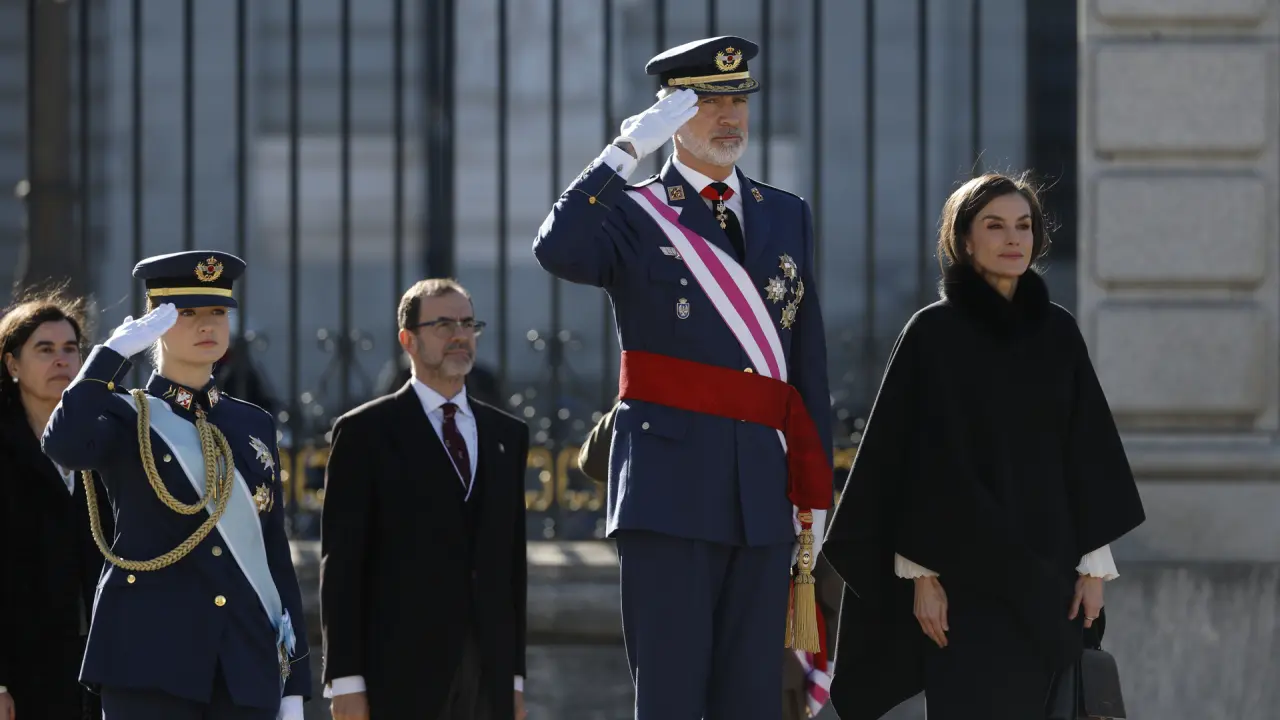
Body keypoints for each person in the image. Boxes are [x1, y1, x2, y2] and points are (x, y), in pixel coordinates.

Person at [533, 35, 834, 719]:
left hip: (762, 490)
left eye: (738, 100)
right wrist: (624, 152)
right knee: (670, 698)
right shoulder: (634, 210)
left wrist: (813, 493)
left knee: (751, 701)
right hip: (669, 491)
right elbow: (557, 248)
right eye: (708, 103)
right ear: (670, 114)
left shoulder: (785, 212)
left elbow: (804, 359)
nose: (729, 117)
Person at [820, 173, 1146, 719]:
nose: (1013, 238)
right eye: (994, 226)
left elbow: (1087, 451)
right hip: (961, 582)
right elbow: (906, 462)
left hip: (1051, 579)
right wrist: (921, 577)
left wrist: (1094, 568)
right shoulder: (932, 333)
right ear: (965, 241)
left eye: (1024, 225)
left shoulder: (1058, 332)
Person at [41, 251, 311, 719]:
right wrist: (111, 356)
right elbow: (63, 443)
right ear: (156, 324)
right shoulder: (123, 413)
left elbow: (273, 555)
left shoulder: (252, 422)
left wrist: (295, 685)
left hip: (243, 664)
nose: (207, 325)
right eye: (187, 313)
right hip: (149, 659)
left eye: (217, 312)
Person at [320, 278, 530, 720]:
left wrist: (513, 678)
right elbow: (342, 565)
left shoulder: (507, 435)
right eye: (443, 325)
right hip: (398, 672)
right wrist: (346, 680)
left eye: (468, 324)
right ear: (408, 340)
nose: (460, 335)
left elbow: (511, 565)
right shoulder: (364, 432)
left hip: (487, 675)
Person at [575, 405, 841, 720]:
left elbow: (825, 565)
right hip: (688, 605)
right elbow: (594, 459)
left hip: (767, 646)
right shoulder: (665, 396)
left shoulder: (775, 403)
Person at [0, 290, 107, 720]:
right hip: (24, 671)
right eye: (45, 349)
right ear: (12, 365)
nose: (61, 360)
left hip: (101, 668)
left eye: (70, 349)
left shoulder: (104, 441)